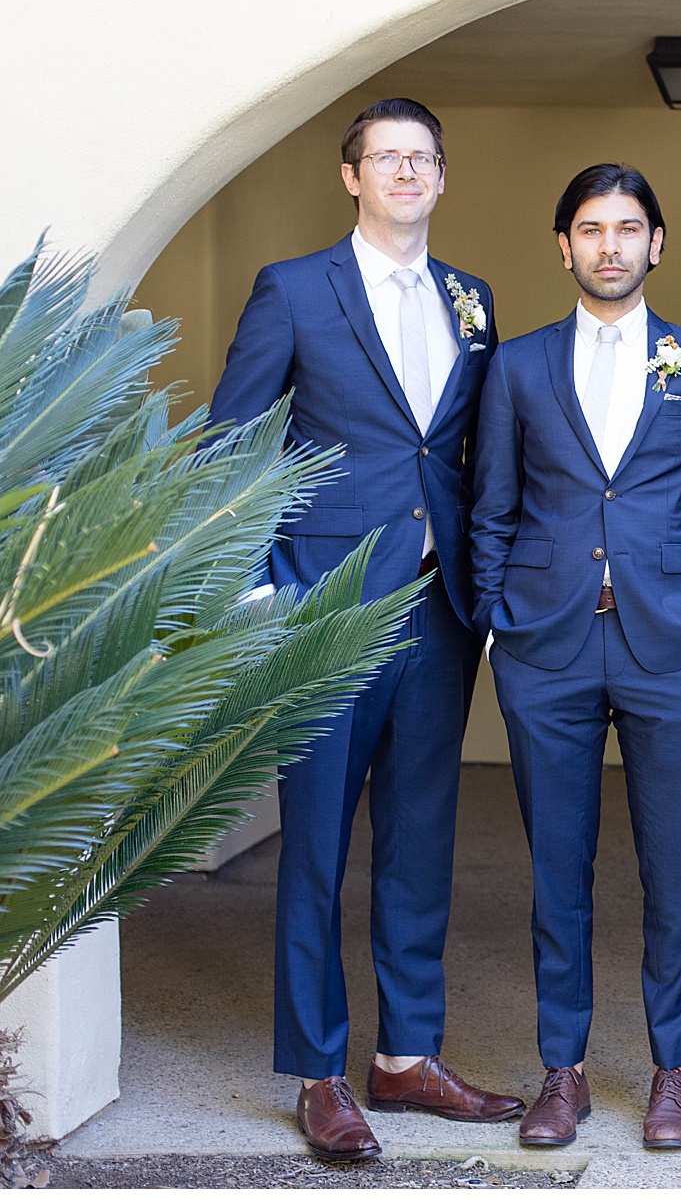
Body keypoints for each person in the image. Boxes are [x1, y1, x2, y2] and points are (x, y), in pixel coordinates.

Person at [211, 98, 520, 1159]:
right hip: (325, 601)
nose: (404, 172)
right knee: (315, 844)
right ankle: (318, 1069)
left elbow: (469, 451)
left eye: (421, 157)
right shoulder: (295, 290)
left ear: (441, 176)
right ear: (351, 176)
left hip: (440, 605)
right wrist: (261, 592)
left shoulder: (472, 299)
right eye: (384, 157)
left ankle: (407, 1055)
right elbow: (231, 450)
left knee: (421, 835)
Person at [470, 164, 681, 1150]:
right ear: (564, 245)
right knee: (558, 864)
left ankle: (673, 1068)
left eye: (628, 227)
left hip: (671, 644)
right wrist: (497, 614)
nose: (610, 245)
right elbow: (490, 504)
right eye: (591, 228)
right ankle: (564, 1066)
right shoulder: (515, 365)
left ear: (656, 243)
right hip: (544, 645)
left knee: (671, 863)